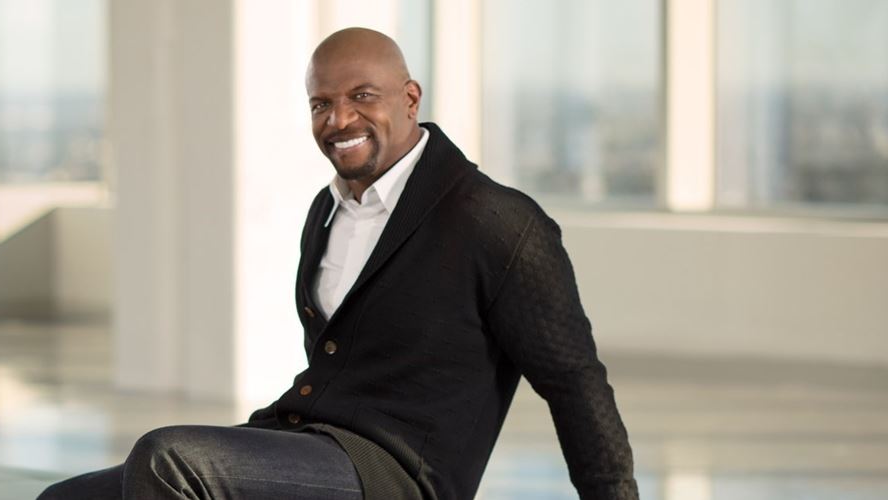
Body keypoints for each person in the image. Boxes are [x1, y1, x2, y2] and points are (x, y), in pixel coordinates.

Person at [39, 27, 638, 500]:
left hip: (397, 473)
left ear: (410, 99)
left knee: (168, 458)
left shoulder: (497, 221)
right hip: (306, 439)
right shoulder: (327, 211)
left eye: (362, 97)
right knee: (65, 497)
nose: (339, 119)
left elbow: (574, 382)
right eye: (321, 103)